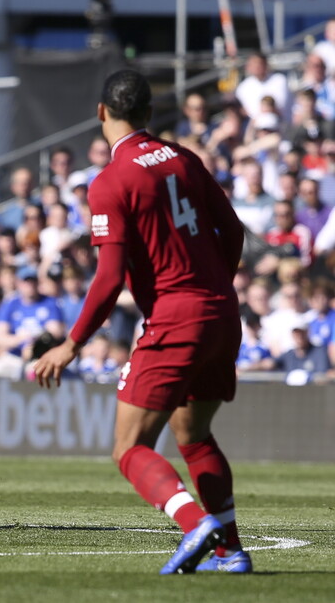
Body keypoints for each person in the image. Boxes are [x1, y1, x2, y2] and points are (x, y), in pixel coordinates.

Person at [33, 70, 251, 574]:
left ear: (101, 113)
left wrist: (72, 344)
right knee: (194, 435)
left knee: (128, 448)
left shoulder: (111, 181)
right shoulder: (184, 158)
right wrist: (217, 282)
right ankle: (231, 552)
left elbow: (108, 278)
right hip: (221, 311)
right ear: (150, 114)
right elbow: (233, 229)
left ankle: (196, 522)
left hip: (177, 318)